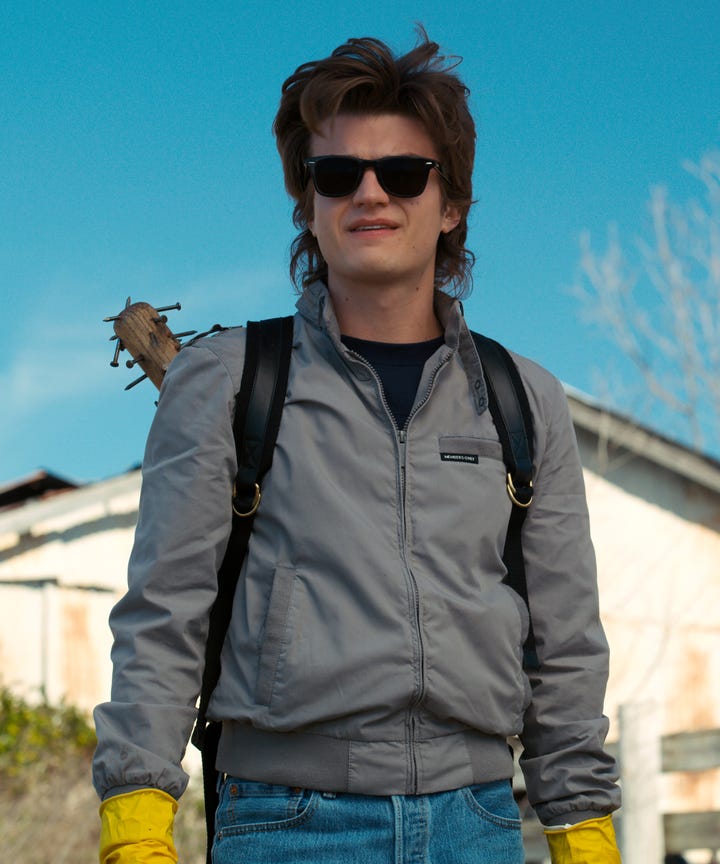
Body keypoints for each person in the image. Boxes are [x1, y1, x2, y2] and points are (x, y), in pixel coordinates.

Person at [93, 30, 622, 863]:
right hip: (286, 824)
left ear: (451, 205)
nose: (369, 193)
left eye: (404, 172)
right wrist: (134, 814)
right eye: (337, 174)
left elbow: (565, 643)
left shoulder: (524, 400)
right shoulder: (229, 380)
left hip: (480, 824)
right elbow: (165, 613)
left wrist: (583, 827)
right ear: (309, 203)